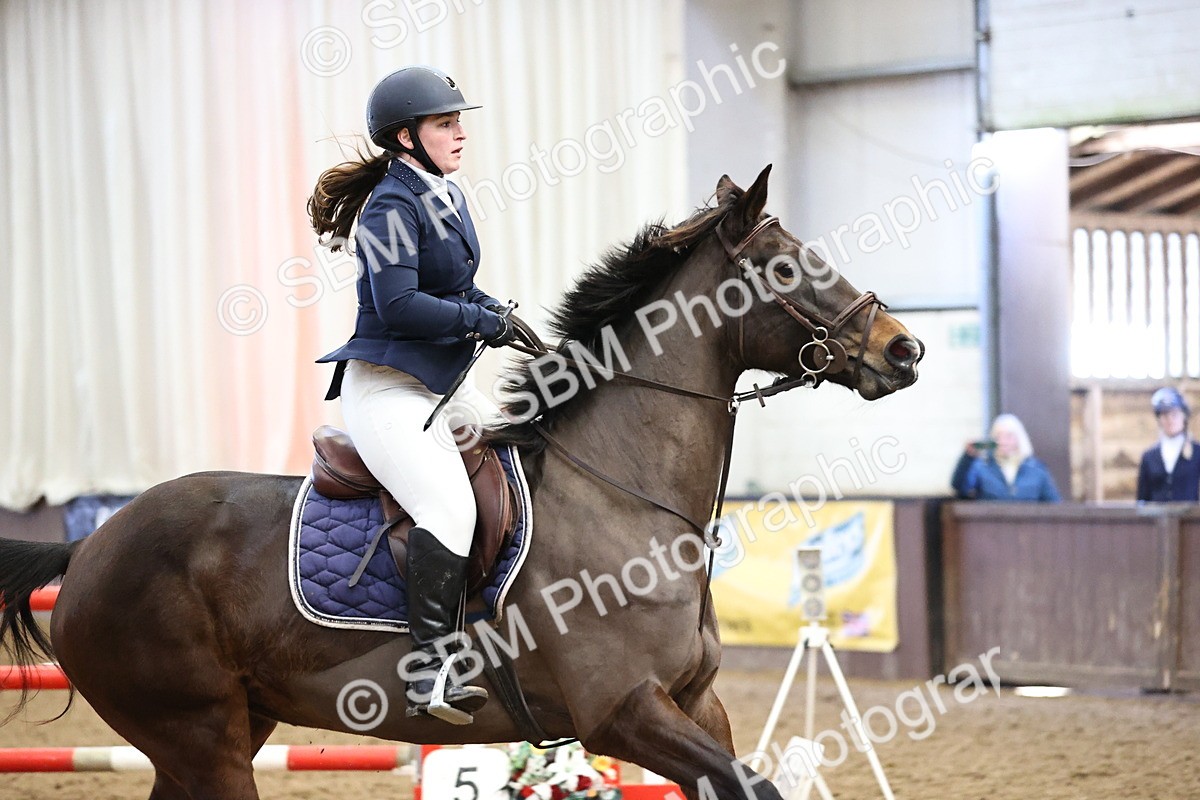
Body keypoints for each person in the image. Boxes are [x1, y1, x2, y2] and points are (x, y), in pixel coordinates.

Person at [309, 65, 515, 724]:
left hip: (440, 386)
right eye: (445, 123)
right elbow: (398, 306)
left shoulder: (439, 194)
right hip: (389, 392)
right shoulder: (392, 206)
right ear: (406, 136)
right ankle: (429, 670)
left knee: (525, 444)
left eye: (459, 121)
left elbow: (454, 289)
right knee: (448, 508)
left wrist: (500, 314)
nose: (460, 133)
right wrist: (478, 321)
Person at [951, 413, 1061, 501]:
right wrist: (967, 458)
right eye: (998, 436)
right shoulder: (982, 467)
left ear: (1019, 439)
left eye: (1008, 436)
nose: (1003, 441)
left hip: (1029, 527)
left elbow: (1053, 504)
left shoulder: (1037, 470)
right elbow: (960, 487)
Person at [1136, 387, 1200, 502]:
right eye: (1165, 415)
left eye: (1174, 414)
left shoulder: (1197, 452)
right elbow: (1142, 499)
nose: (1170, 420)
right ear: (1159, 419)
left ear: (1184, 416)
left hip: (1190, 518)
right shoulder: (1149, 456)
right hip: (1157, 518)